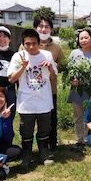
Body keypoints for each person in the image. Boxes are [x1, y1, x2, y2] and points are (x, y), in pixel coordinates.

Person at [8, 28, 57, 167]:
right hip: (26, 102)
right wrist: (23, 67)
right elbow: (11, 79)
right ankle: (26, 154)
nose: (31, 46)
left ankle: (44, 153)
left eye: (34, 43)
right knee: (26, 131)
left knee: (44, 129)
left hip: (44, 101)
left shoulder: (47, 55)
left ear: (39, 43)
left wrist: (50, 68)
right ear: (23, 44)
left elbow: (53, 77)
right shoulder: (18, 57)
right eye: (27, 43)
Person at [33, 16, 65, 152]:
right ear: (35, 28)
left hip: (49, 89)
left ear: (51, 29)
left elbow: (63, 65)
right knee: (31, 117)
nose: (43, 29)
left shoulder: (56, 48)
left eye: (46, 26)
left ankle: (52, 143)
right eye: (40, 26)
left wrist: (52, 65)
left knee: (51, 118)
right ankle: (33, 144)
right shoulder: (26, 44)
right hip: (32, 89)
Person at [66, 29, 91, 150]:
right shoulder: (74, 53)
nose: (83, 40)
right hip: (77, 90)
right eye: (81, 38)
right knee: (78, 116)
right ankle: (80, 139)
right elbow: (69, 70)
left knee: (89, 116)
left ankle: (88, 138)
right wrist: (72, 79)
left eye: (86, 38)